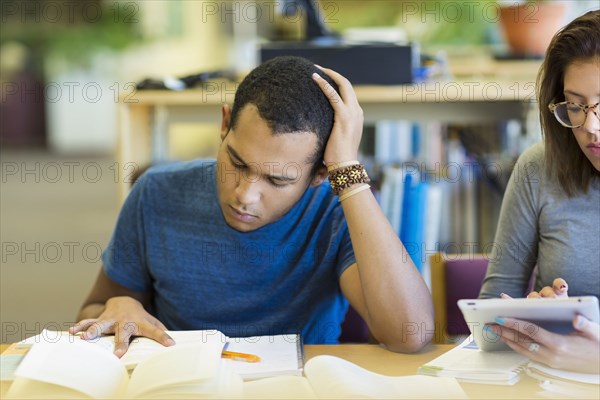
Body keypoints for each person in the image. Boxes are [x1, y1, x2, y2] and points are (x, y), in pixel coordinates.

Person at [69, 56, 434, 356]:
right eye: (238, 163)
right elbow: (93, 310)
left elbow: (409, 334)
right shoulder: (156, 193)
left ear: (320, 173)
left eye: (278, 180)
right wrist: (118, 307)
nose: (245, 194)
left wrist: (349, 174)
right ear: (225, 124)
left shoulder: (337, 211)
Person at [480, 10, 600, 373]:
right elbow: (487, 323)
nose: (590, 127)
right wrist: (533, 322)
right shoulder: (538, 169)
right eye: (575, 107)